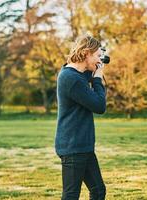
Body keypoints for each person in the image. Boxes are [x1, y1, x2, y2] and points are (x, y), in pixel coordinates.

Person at [55, 35, 107, 200]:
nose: (100, 60)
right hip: (73, 146)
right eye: (97, 55)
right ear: (86, 53)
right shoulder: (71, 78)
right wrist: (98, 78)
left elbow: (82, 73)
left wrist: (94, 69)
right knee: (71, 195)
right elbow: (99, 106)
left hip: (82, 145)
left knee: (98, 191)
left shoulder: (75, 73)